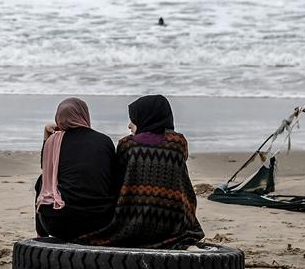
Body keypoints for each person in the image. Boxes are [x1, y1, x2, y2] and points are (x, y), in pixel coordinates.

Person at [78, 94, 204, 249]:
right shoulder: (178, 142)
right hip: (174, 220)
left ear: (145, 118)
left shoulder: (127, 145)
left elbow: (117, 180)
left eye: (133, 119)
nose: (129, 125)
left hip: (132, 219)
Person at [34, 97, 118, 240]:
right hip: (100, 223)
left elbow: (46, 169)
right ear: (84, 114)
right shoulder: (104, 141)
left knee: (42, 181)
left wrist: (47, 135)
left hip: (57, 223)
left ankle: (41, 236)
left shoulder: (53, 141)